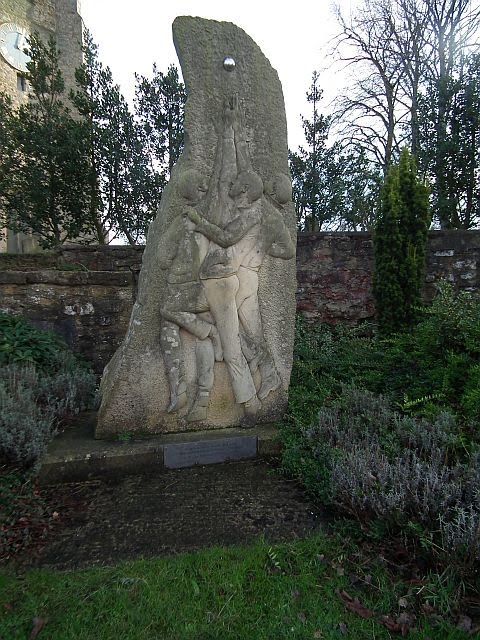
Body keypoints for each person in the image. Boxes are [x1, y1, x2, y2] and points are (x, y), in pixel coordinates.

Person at [158, 169, 222, 421]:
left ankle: (179, 390)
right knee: (178, 329)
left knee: (167, 314)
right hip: (205, 291)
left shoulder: (184, 221)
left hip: (189, 291)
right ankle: (200, 399)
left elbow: (163, 258)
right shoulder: (213, 218)